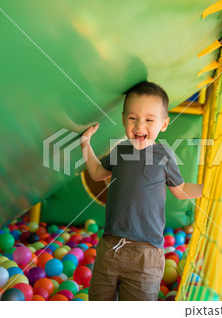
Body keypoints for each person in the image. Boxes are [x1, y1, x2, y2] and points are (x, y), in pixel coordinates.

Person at [80, 81, 203, 301]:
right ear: (123, 118)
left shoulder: (163, 156)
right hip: (110, 246)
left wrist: (208, 189)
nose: (139, 127)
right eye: (133, 118)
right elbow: (98, 173)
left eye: (149, 120)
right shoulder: (121, 150)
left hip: (146, 254)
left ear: (164, 124)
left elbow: (181, 190)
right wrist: (85, 145)